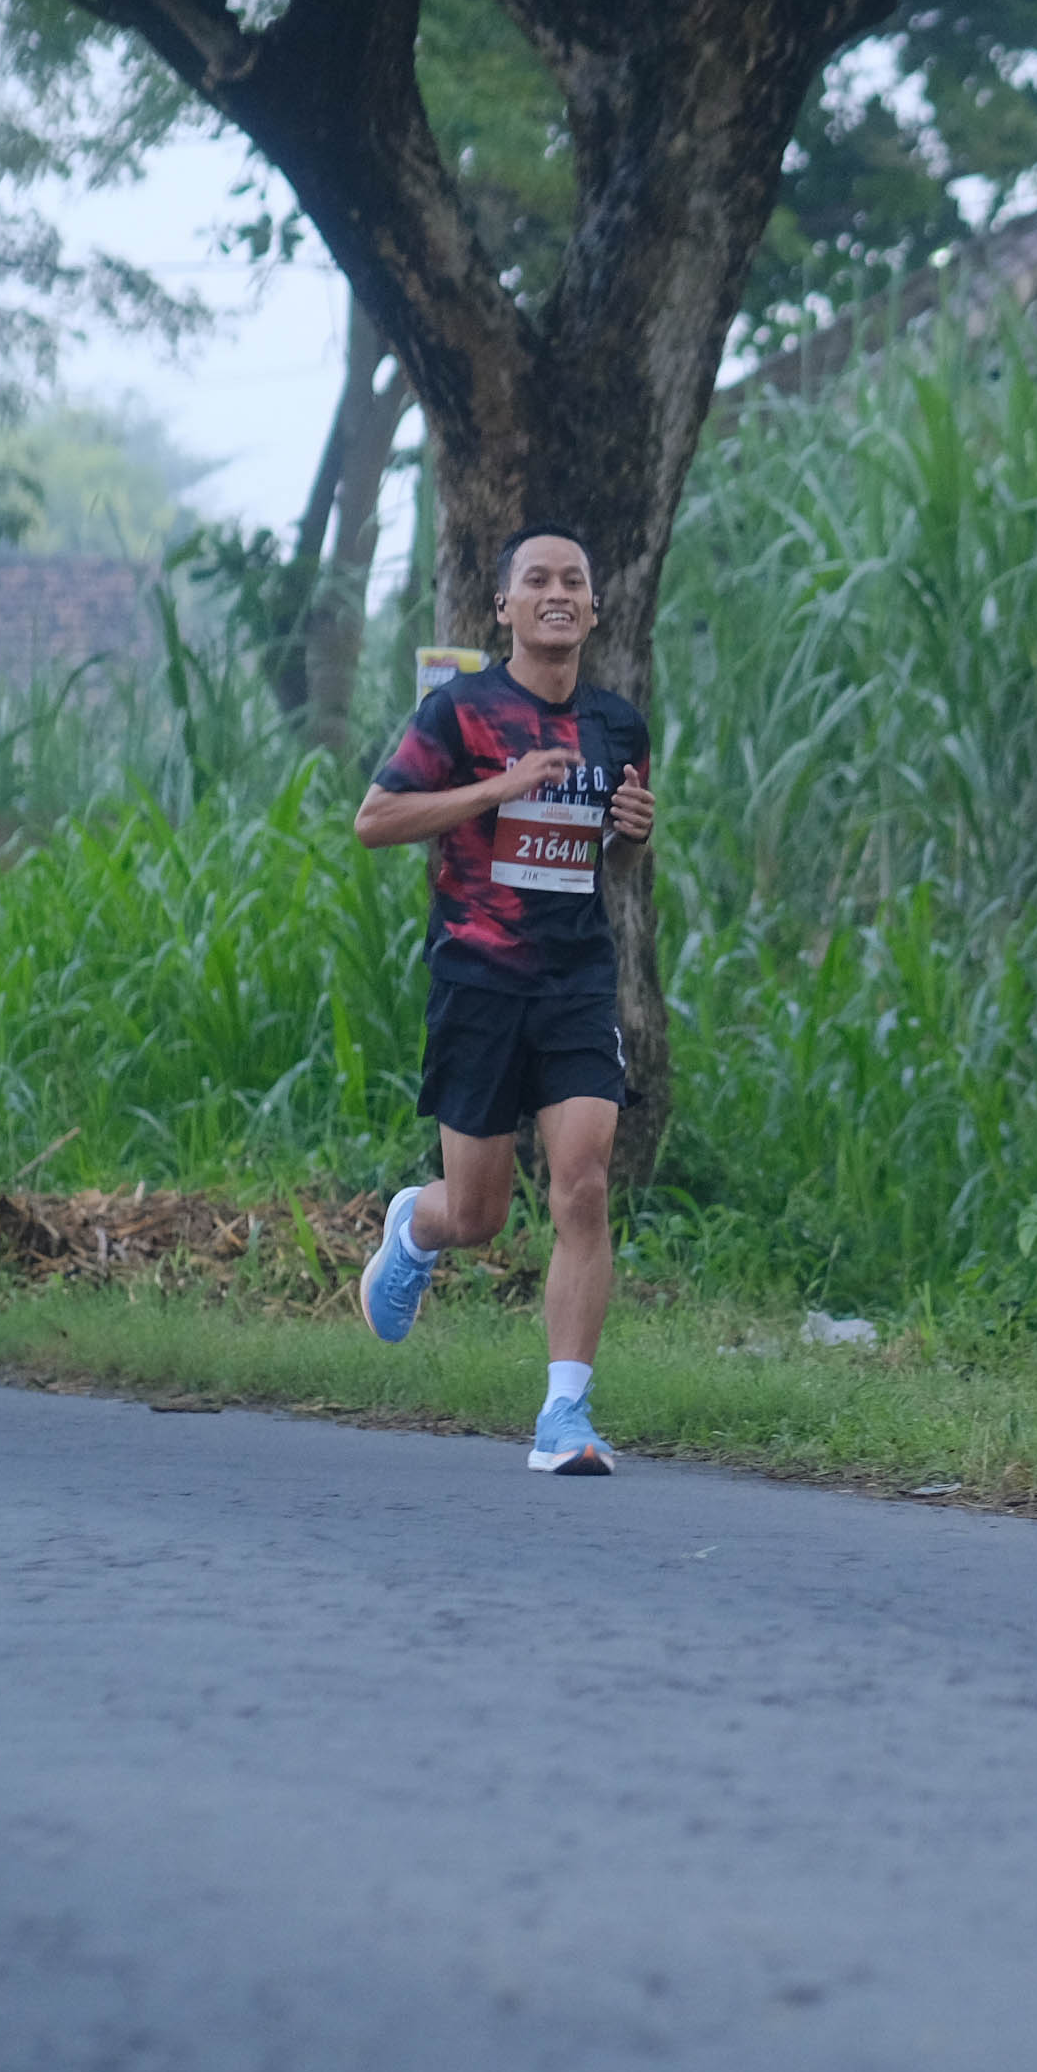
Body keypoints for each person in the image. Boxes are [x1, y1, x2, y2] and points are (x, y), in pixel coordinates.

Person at [349, 525, 656, 1473]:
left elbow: (605, 856)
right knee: (478, 1216)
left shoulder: (618, 726)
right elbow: (376, 820)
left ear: (594, 609)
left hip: (575, 980)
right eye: (537, 580)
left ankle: (565, 1415)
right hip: (479, 978)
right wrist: (498, 786)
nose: (557, 592)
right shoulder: (461, 712)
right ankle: (419, 1226)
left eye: (574, 580)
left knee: (584, 1183)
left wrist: (631, 835)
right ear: (505, 606)